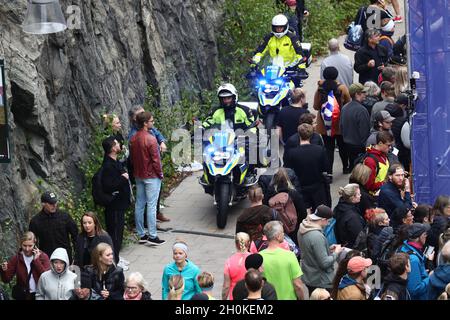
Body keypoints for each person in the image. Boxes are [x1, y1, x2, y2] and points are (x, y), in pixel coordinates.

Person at [202, 83, 256, 184]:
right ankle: (207, 174)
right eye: (223, 98)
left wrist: (250, 134)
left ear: (234, 97)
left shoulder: (244, 110)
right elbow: (208, 122)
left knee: (251, 150)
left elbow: (252, 124)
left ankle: (249, 173)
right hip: (220, 140)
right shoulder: (215, 111)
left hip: (239, 139)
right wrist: (201, 128)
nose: (226, 101)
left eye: (228, 98)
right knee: (206, 152)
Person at [127, 105, 170, 223]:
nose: (143, 115)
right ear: (136, 119)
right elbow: (142, 158)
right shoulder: (134, 135)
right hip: (148, 172)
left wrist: (161, 142)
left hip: (145, 171)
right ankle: (150, 228)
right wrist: (159, 173)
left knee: (147, 199)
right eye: (140, 114)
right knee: (147, 201)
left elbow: (157, 133)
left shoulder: (148, 129)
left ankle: (151, 219)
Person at [130, 111, 165, 245]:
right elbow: (156, 160)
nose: (153, 122)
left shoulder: (133, 138)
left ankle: (141, 234)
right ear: (145, 123)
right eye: (151, 121)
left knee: (139, 204)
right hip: (151, 176)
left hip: (139, 175)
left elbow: (132, 159)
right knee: (151, 205)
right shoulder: (150, 139)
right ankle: (152, 235)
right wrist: (160, 174)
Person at [313, 66, 351, 175]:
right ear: (336, 75)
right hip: (339, 123)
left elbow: (316, 106)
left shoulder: (320, 89)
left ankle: (329, 173)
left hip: (325, 124)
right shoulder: (342, 88)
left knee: (328, 149)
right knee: (342, 146)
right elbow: (348, 103)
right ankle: (345, 167)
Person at [101, 136, 131, 267]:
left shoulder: (114, 161)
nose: (120, 145)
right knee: (115, 234)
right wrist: (123, 179)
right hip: (114, 206)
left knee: (118, 233)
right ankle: (114, 261)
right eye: (117, 143)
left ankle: (116, 256)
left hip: (120, 204)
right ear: (113, 148)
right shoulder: (108, 166)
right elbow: (109, 186)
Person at [297, 205, 342, 293]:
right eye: (328, 221)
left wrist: (327, 249)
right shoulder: (317, 236)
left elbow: (310, 250)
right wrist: (336, 253)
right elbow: (324, 263)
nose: (329, 223)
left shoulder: (303, 228)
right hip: (320, 281)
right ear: (323, 220)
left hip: (309, 276)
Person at [284, 124, 328, 211]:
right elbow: (325, 167)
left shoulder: (292, 153)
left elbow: (288, 169)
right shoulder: (319, 150)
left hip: (300, 187)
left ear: (299, 134)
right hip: (317, 186)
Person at [251, 14, 306, 83]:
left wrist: (301, 67)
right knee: (258, 88)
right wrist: (254, 63)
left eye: (281, 27)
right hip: (273, 69)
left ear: (285, 27)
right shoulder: (269, 38)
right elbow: (260, 51)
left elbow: (299, 53)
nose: (279, 29)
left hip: (290, 69)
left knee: (297, 92)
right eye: (276, 27)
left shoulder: (292, 37)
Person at [259, 221, 305, 300]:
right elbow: (297, 285)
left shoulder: (259, 256)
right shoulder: (290, 256)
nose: (284, 234)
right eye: (282, 232)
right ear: (277, 236)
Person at [29, 191, 78, 263]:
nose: (54, 205)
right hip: (47, 260)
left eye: (55, 202)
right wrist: (37, 258)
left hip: (65, 259)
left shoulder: (65, 216)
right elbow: (32, 242)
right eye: (51, 203)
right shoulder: (35, 221)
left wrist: (76, 256)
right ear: (43, 204)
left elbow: (76, 236)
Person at [1, 232, 50, 300]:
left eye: (30, 246)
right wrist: (4, 270)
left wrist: (36, 261)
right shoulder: (17, 258)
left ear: (34, 244)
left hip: (41, 295)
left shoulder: (43, 257)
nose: (27, 249)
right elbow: (6, 279)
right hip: (25, 295)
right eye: (24, 245)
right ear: (21, 244)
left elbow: (47, 278)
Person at [265, 168, 307, 243]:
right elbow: (303, 212)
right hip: (294, 228)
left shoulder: (269, 195)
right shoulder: (293, 193)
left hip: (277, 230)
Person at [339, 83, 371, 171]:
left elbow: (341, 126)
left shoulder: (345, 107)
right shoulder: (362, 110)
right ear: (357, 94)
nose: (366, 94)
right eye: (363, 92)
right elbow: (365, 132)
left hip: (347, 144)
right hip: (359, 147)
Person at [399, 223, 434, 300]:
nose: (426, 236)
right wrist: (430, 277)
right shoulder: (413, 260)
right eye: (425, 234)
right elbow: (414, 290)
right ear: (418, 237)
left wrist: (422, 272)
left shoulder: (404, 247)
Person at [334, 183, 366, 248]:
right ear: (352, 198)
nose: (360, 195)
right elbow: (359, 238)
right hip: (351, 248)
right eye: (358, 194)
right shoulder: (353, 218)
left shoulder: (340, 206)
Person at [222, 232, 251, 300]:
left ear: (235, 244)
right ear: (249, 243)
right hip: (250, 295)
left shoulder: (229, 261)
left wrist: (223, 298)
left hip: (234, 296)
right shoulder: (254, 259)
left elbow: (226, 286)